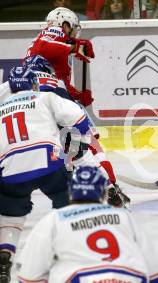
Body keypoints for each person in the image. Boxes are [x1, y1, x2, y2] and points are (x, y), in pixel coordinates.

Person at [0, 72, 92, 282]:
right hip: (49, 162)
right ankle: (69, 253)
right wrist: (75, 150)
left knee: (10, 217)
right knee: (68, 203)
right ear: (34, 84)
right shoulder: (46, 97)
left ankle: (4, 259)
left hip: (11, 169)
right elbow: (78, 118)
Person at [5, 56, 130, 209]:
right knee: (83, 158)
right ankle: (109, 190)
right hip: (65, 127)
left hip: (27, 140)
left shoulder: (9, 87)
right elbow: (78, 119)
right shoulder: (56, 85)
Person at [28, 8, 124, 200]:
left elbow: (57, 77)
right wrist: (75, 46)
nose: (73, 33)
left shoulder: (56, 44)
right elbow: (42, 48)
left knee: (72, 148)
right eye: (72, 28)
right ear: (64, 24)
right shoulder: (54, 32)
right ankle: (109, 187)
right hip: (49, 97)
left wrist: (77, 95)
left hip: (41, 99)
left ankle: (80, 182)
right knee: (89, 141)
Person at [16, 166, 158, 283]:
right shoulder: (123, 216)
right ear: (102, 192)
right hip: (129, 276)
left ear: (70, 191)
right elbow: (157, 271)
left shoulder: (55, 219)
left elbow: (29, 276)